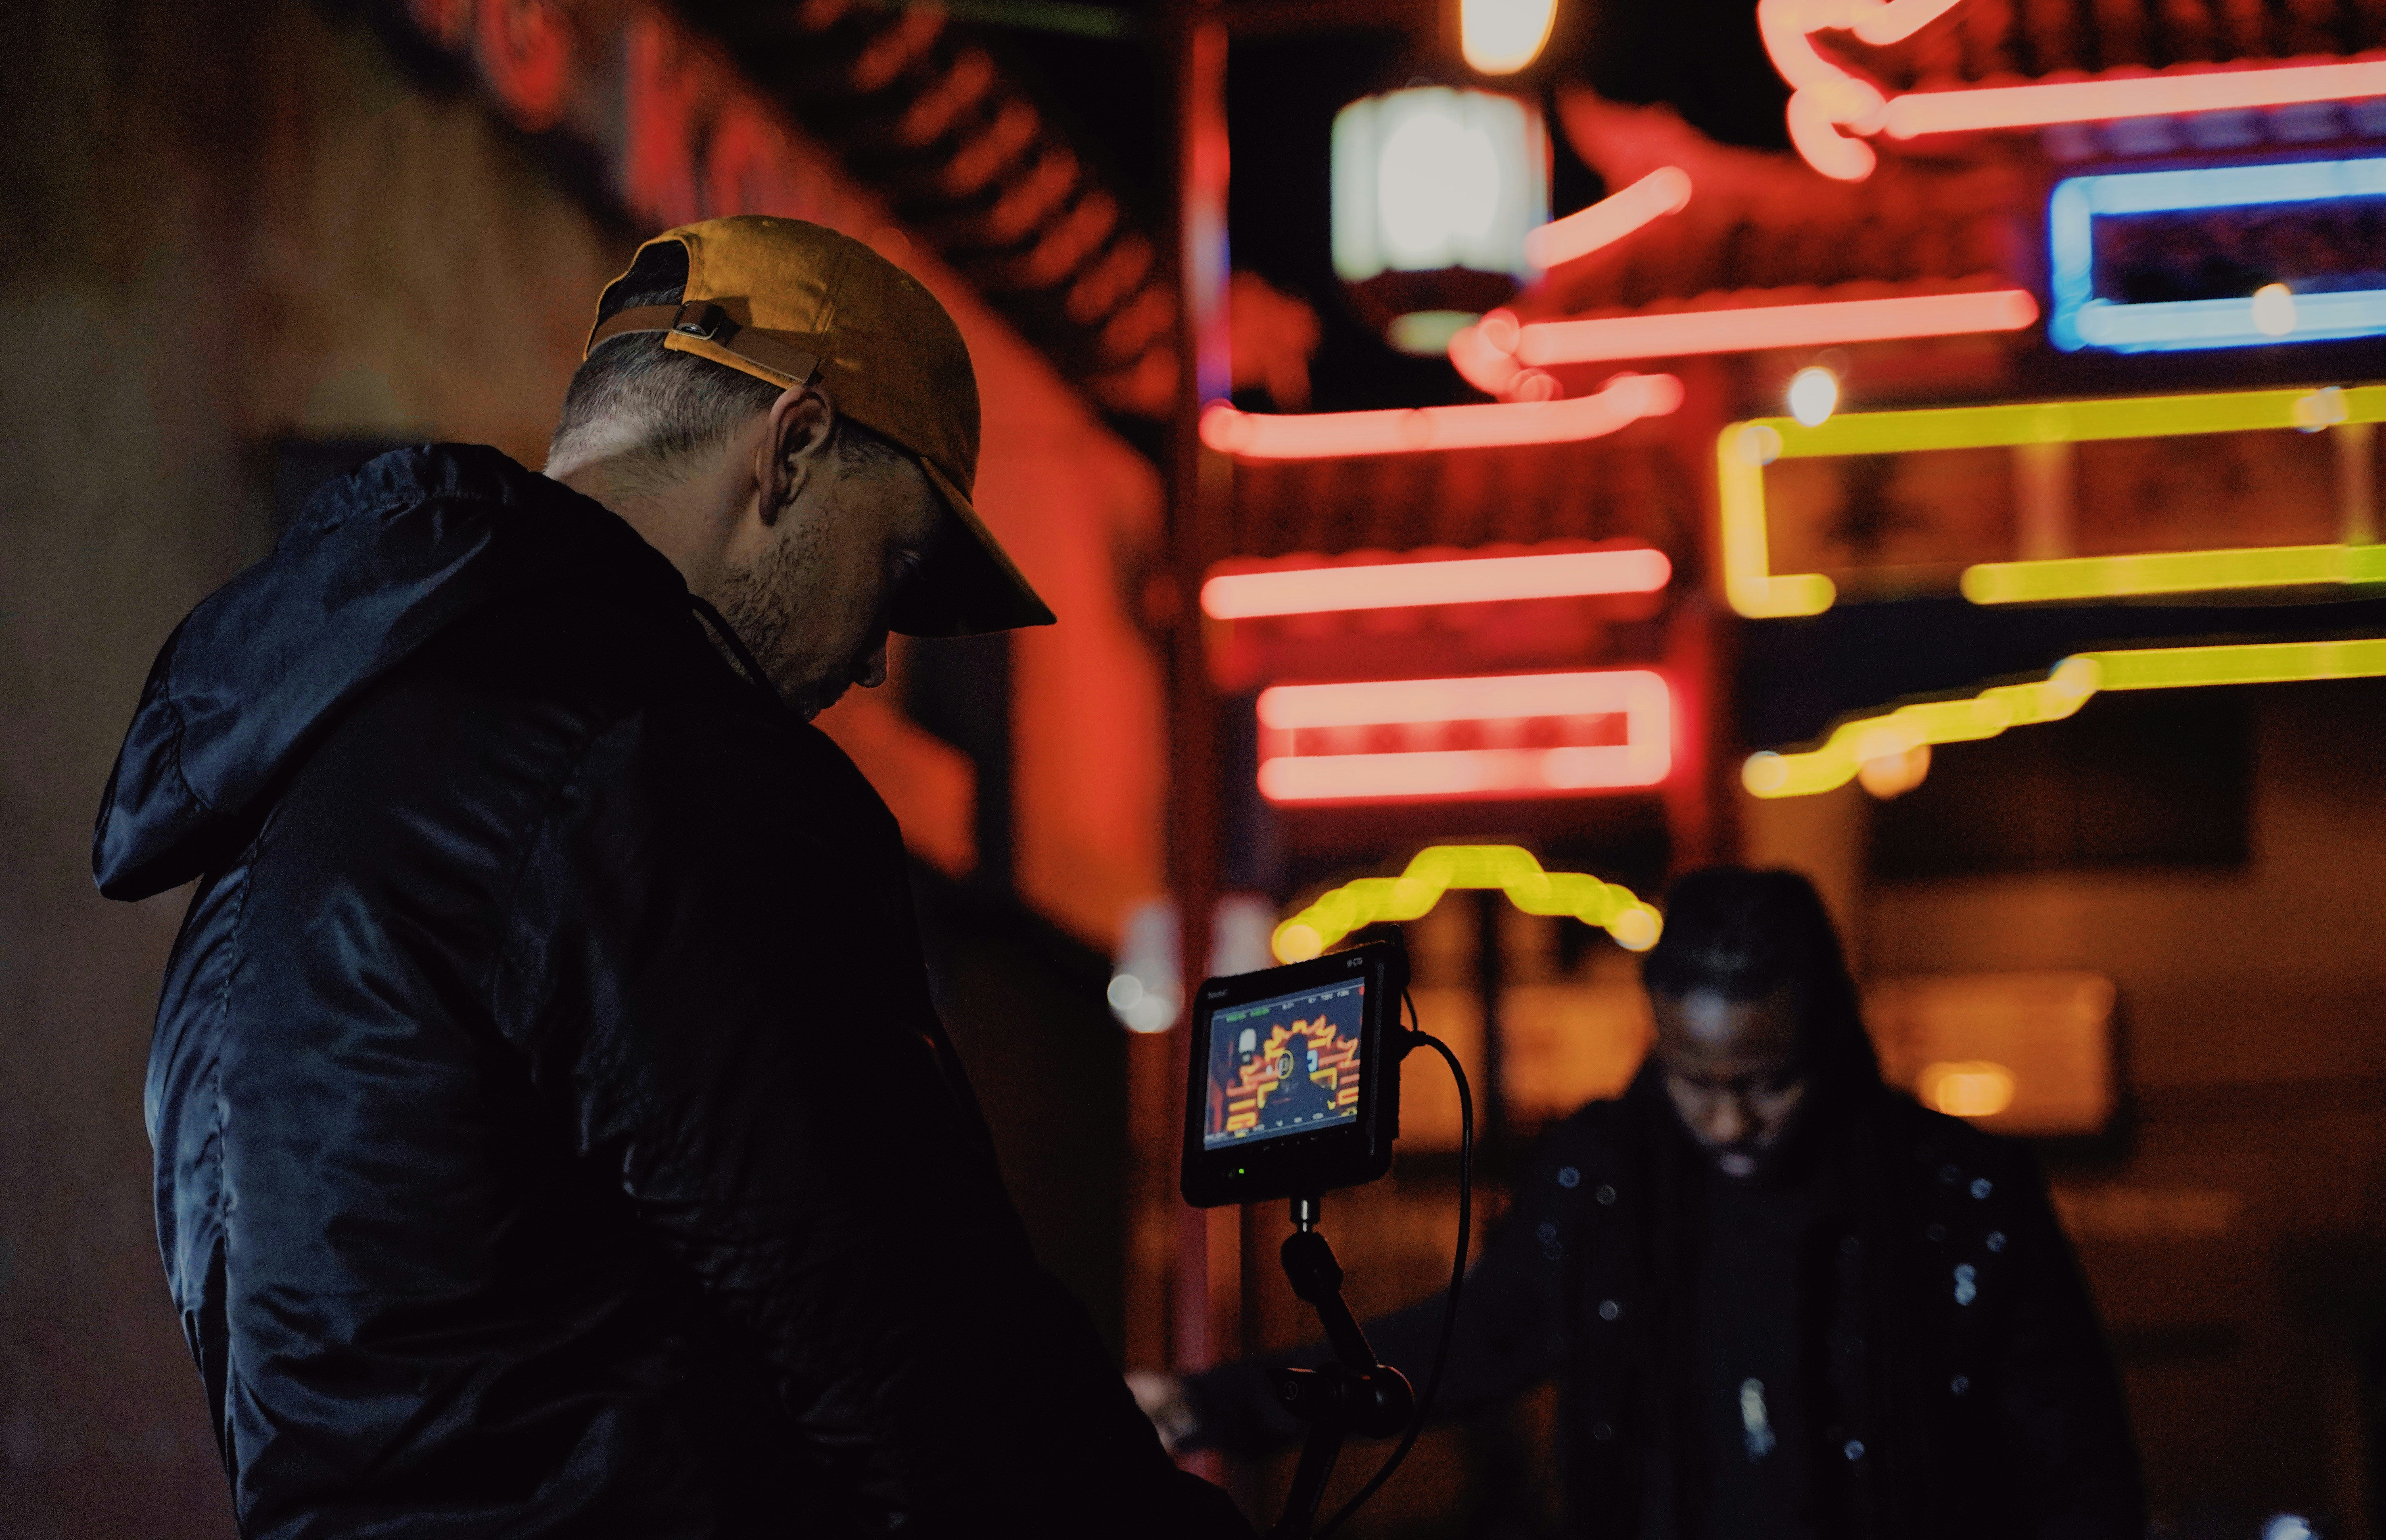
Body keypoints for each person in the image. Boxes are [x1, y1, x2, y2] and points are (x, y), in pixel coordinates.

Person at [95, 216, 1249, 1539]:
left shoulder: (285, 783)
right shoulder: (648, 758)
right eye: (898, 565)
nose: (877, 660)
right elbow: (905, 1334)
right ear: (794, 446)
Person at [1137, 867, 2144, 1540]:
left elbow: (2079, 1464)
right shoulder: (1607, 1175)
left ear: (1831, 1036)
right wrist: (1209, 1402)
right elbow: (1471, 1341)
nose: (1730, 1117)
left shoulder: (1961, 1189)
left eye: (1767, 1079)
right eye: (1694, 1077)